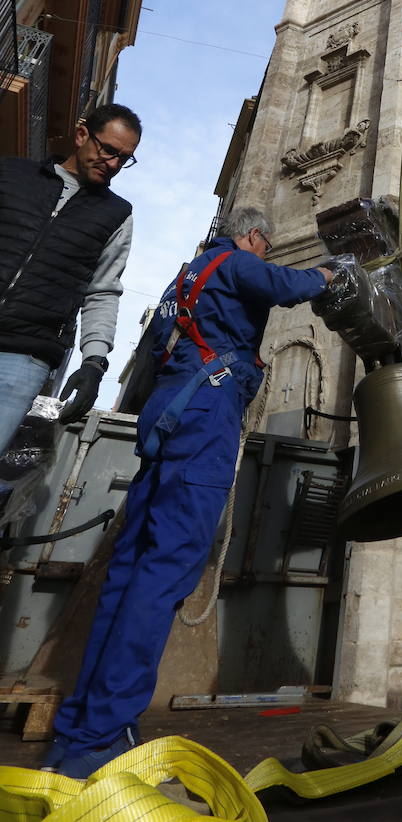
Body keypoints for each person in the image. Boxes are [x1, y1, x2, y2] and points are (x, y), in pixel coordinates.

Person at [44, 205, 336, 778]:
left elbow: (156, 353)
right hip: (206, 414)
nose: (263, 254)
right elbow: (285, 284)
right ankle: (101, 737)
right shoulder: (235, 262)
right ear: (254, 236)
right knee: (166, 572)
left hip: (168, 412)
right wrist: (327, 274)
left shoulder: (185, 277)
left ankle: (80, 725)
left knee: (128, 572)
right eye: (264, 246)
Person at [0, 103, 142, 457]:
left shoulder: (117, 215)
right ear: (82, 136)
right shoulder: (11, 174)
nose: (112, 163)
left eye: (123, 159)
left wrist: (94, 362)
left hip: (24, 357)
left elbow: (103, 291)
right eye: (108, 150)